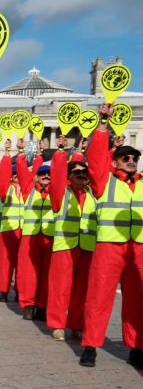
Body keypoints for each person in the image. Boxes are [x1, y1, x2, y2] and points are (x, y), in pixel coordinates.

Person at [79, 105, 143, 368]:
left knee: (138, 300)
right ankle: (91, 345)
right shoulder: (104, 181)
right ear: (115, 161)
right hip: (109, 246)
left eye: (134, 158)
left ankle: (137, 347)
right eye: (125, 157)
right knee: (99, 297)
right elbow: (94, 158)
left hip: (139, 247)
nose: (130, 161)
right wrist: (103, 123)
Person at [46, 136, 95, 342]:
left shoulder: (93, 193)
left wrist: (83, 152)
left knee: (82, 290)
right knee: (60, 288)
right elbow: (56, 177)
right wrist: (60, 151)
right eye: (77, 172)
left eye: (84, 172)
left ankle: (76, 325)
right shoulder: (60, 193)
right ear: (69, 175)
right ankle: (57, 325)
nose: (81, 175)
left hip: (87, 247)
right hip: (64, 245)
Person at [16, 144, 52, 320]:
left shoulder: (58, 192)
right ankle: (28, 305)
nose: (46, 176)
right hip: (30, 237)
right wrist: (22, 152)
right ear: (36, 177)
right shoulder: (29, 190)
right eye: (42, 174)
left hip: (50, 238)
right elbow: (22, 170)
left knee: (47, 275)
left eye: (49, 174)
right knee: (28, 274)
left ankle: (43, 307)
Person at [0, 143, 21, 302]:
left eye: (19, 174)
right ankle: (4, 291)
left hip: (24, 231)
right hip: (8, 231)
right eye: (15, 175)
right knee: (5, 263)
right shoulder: (7, 189)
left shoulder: (28, 191)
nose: (17, 177)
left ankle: (19, 290)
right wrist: (6, 154)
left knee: (22, 264)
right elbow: (3, 177)